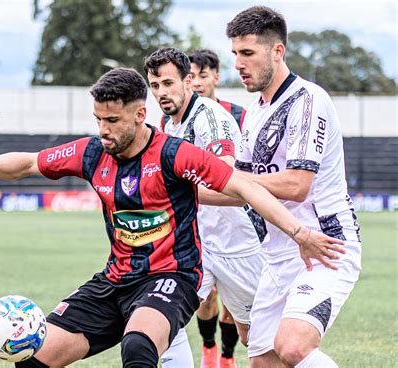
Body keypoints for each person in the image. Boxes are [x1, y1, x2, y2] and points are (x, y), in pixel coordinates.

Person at [0, 68, 345, 368]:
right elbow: (27, 163)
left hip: (172, 278)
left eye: (112, 121)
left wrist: (299, 232)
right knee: (33, 359)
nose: (103, 130)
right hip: (114, 281)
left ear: (139, 115)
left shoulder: (175, 154)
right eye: (98, 119)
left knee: (138, 347)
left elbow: (244, 186)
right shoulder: (91, 153)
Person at [226, 6, 362, 368]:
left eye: (248, 53)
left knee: (293, 347)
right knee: (264, 362)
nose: (238, 64)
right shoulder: (254, 111)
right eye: (235, 54)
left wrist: (233, 179)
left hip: (324, 245)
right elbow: (234, 188)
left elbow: (297, 185)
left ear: (277, 51)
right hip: (278, 254)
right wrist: (181, 184)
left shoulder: (307, 100)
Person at [145, 47, 266, 368]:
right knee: (161, 319)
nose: (161, 93)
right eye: (154, 86)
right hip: (194, 246)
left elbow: (232, 185)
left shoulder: (210, 117)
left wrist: (171, 190)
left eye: (168, 84)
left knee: (255, 339)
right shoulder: (168, 124)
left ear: (188, 82)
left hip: (239, 244)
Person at [189, 48, 254, 367]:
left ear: (216, 77)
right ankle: (209, 348)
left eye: (204, 75)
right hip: (199, 223)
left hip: (235, 224)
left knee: (234, 302)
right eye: (192, 76)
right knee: (206, 295)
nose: (198, 82)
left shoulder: (238, 114)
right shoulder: (172, 118)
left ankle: (227, 357)